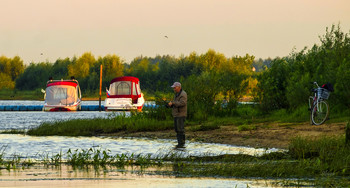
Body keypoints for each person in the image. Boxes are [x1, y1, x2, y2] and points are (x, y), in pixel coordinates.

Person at [168, 82, 187, 148]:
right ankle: (180, 144)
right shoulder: (177, 94)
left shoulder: (183, 94)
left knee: (180, 129)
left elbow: (182, 103)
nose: (174, 89)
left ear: (179, 87)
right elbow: (176, 103)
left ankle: (181, 144)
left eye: (175, 87)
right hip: (176, 115)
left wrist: (173, 103)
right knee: (177, 129)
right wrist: (170, 105)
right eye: (173, 88)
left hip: (181, 115)